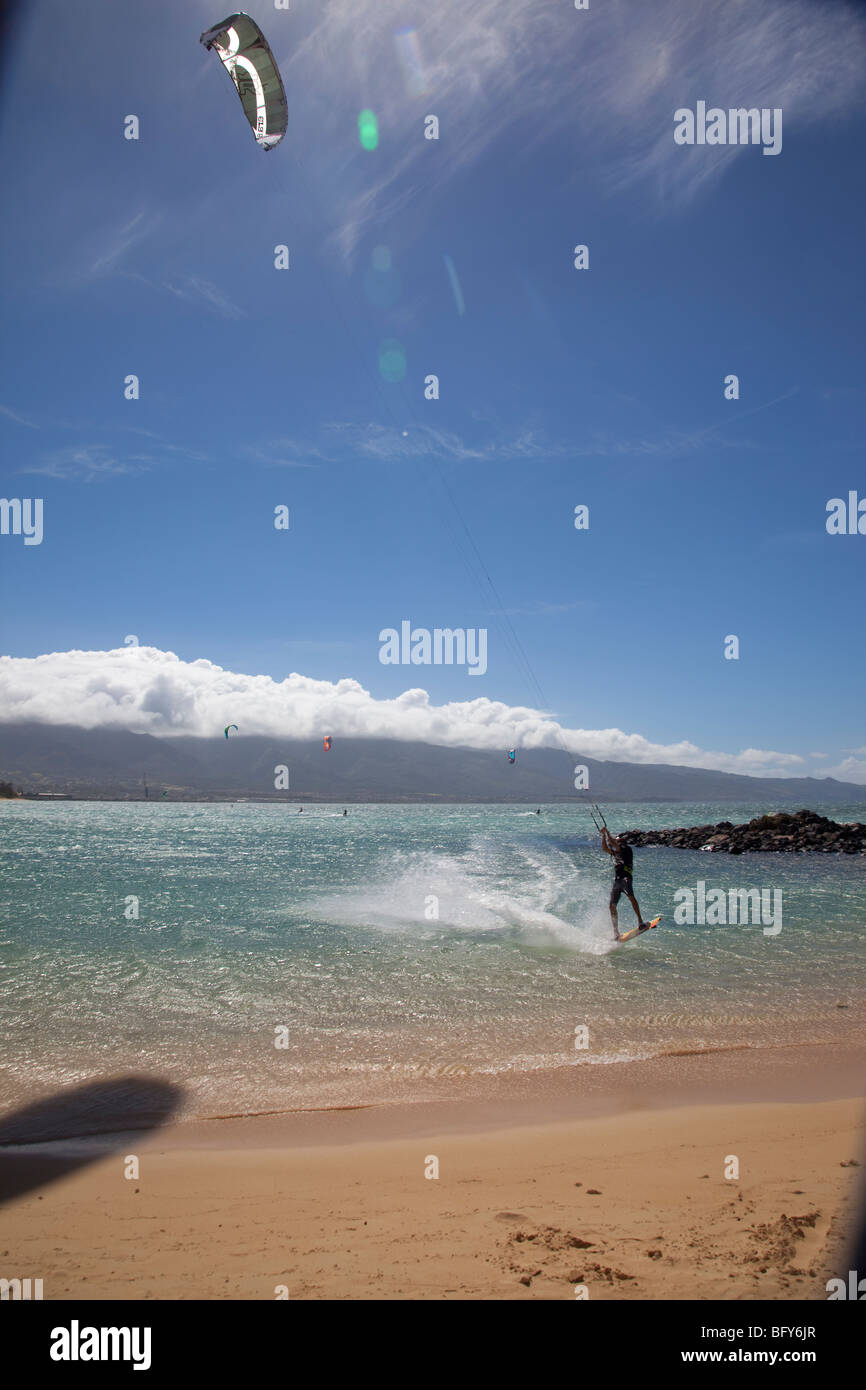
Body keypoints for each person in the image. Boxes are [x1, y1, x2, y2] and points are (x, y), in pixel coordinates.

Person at [601, 826, 643, 940]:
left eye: (617, 841)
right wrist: (603, 836)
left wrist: (607, 832)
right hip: (617, 880)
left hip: (626, 878)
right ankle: (616, 932)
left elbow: (613, 843)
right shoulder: (616, 853)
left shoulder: (626, 848)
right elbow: (605, 848)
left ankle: (640, 921)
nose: (616, 843)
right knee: (612, 905)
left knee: (631, 896)